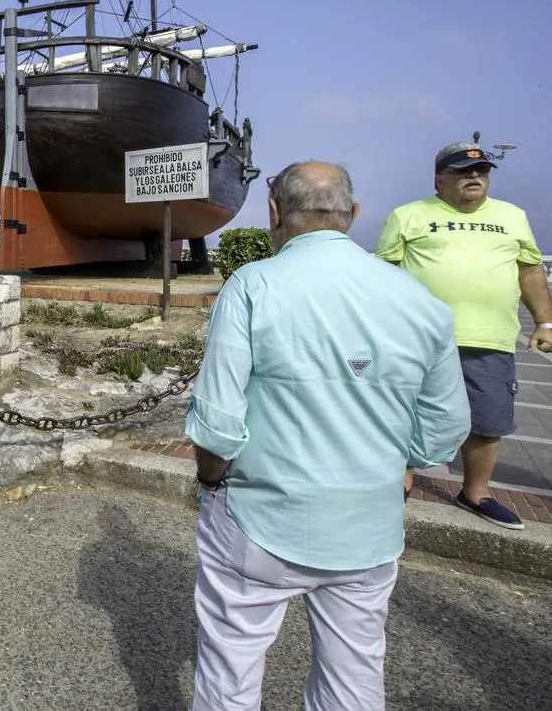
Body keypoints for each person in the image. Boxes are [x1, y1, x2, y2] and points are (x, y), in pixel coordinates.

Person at [186, 162, 469, 710]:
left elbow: (218, 424)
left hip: (260, 517)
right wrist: (399, 463)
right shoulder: (420, 300)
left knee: (230, 672)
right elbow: (444, 430)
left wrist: (210, 483)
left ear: (273, 212)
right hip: (368, 525)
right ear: (354, 214)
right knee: (354, 676)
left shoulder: (253, 285)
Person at [377, 141, 552, 529]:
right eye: (462, 171)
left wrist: (545, 322)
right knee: (405, 412)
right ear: (439, 180)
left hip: (489, 339)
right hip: (418, 339)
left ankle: (476, 492)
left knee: (489, 420)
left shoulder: (513, 216)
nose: (474, 176)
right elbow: (384, 273)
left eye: (481, 171)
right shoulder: (408, 215)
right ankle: (401, 481)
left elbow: (530, 271)